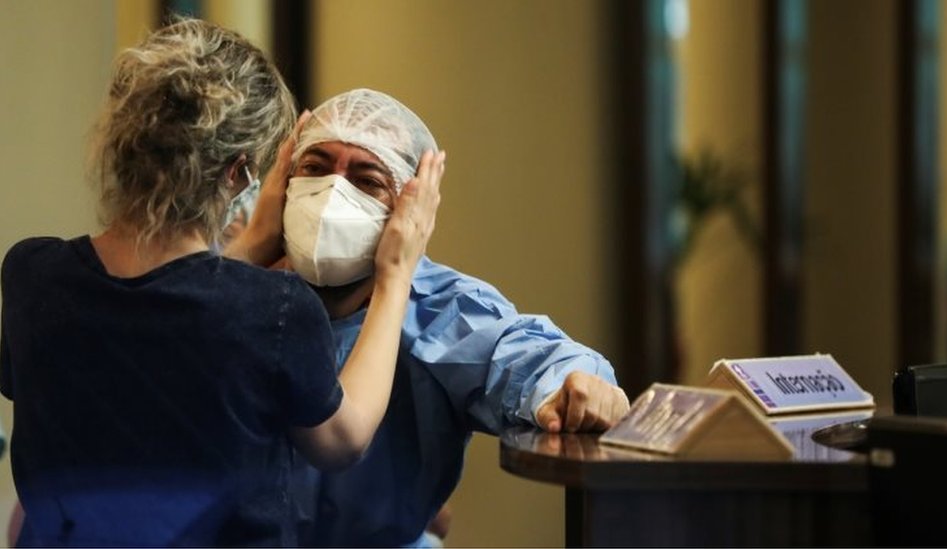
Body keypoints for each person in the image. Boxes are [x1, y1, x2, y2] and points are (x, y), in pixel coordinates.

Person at [0, 21, 443, 547]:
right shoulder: (274, 309)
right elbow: (342, 442)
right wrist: (395, 276)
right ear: (238, 175)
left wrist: (252, 247)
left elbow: (161, 318)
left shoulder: (33, 273)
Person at [274, 88, 629, 547]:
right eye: (315, 169)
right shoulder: (243, 293)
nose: (332, 195)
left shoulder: (439, 308)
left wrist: (578, 387)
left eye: (366, 180)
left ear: (410, 206)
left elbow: (528, 357)